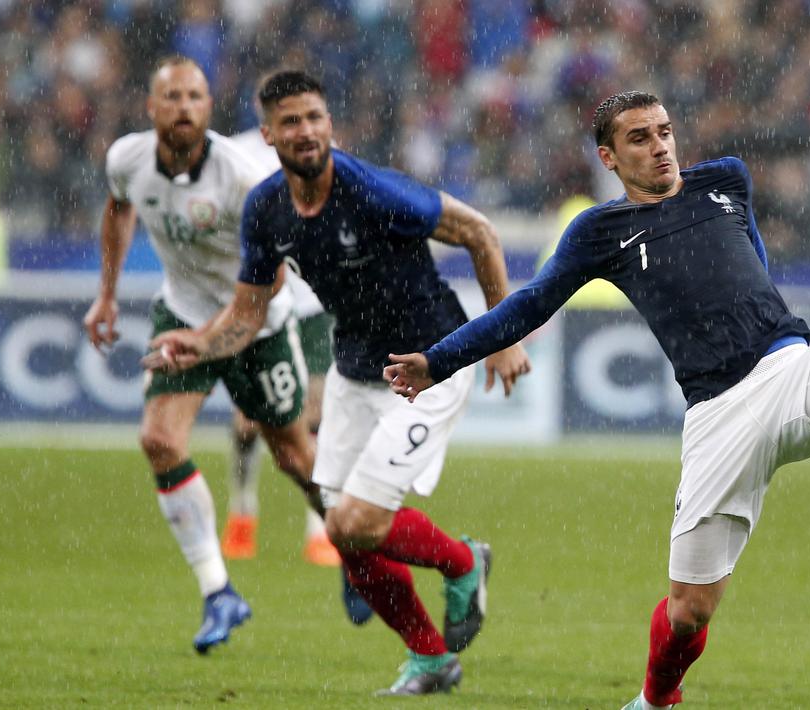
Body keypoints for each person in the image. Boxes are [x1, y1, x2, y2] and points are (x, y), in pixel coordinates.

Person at [384, 90, 810, 710]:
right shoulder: (598, 231)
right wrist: (439, 361)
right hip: (716, 416)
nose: (660, 147)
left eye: (664, 131)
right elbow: (527, 305)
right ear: (609, 157)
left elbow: (753, 263)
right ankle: (657, 699)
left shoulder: (725, 179)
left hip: (786, 372)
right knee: (687, 612)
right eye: (640, 138)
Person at [145, 69, 530, 696]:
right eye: (290, 122)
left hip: (428, 364)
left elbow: (478, 233)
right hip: (356, 371)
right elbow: (247, 313)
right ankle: (431, 659)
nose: (306, 131)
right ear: (268, 135)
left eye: (314, 118)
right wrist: (198, 345)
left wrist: (503, 338)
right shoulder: (266, 209)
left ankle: (463, 562)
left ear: (330, 124)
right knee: (342, 531)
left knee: (356, 521)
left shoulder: (372, 190)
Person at [82, 56, 323, 655]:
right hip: (184, 311)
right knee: (159, 440)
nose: (184, 107)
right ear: (151, 107)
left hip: (258, 324)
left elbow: (272, 282)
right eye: (173, 97)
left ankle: (359, 546)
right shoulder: (127, 159)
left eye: (195, 96)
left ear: (209, 107)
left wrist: (212, 337)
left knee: (296, 457)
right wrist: (107, 294)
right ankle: (219, 592)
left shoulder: (242, 178)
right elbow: (119, 208)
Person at [221, 121, 375, 622]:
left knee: (317, 414)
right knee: (249, 422)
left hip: (313, 304)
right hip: (259, 303)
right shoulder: (234, 156)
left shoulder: (328, 156)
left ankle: (319, 530)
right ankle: (242, 509)